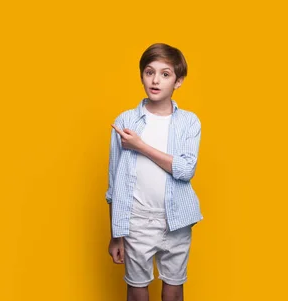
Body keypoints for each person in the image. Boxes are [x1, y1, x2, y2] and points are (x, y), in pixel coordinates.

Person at [105, 43, 203, 301]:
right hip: (136, 220)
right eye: (149, 72)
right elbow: (114, 182)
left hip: (177, 220)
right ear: (141, 76)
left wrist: (140, 146)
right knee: (136, 291)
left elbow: (185, 169)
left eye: (165, 74)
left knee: (173, 292)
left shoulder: (189, 122)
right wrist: (116, 234)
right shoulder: (126, 120)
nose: (156, 80)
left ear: (178, 81)